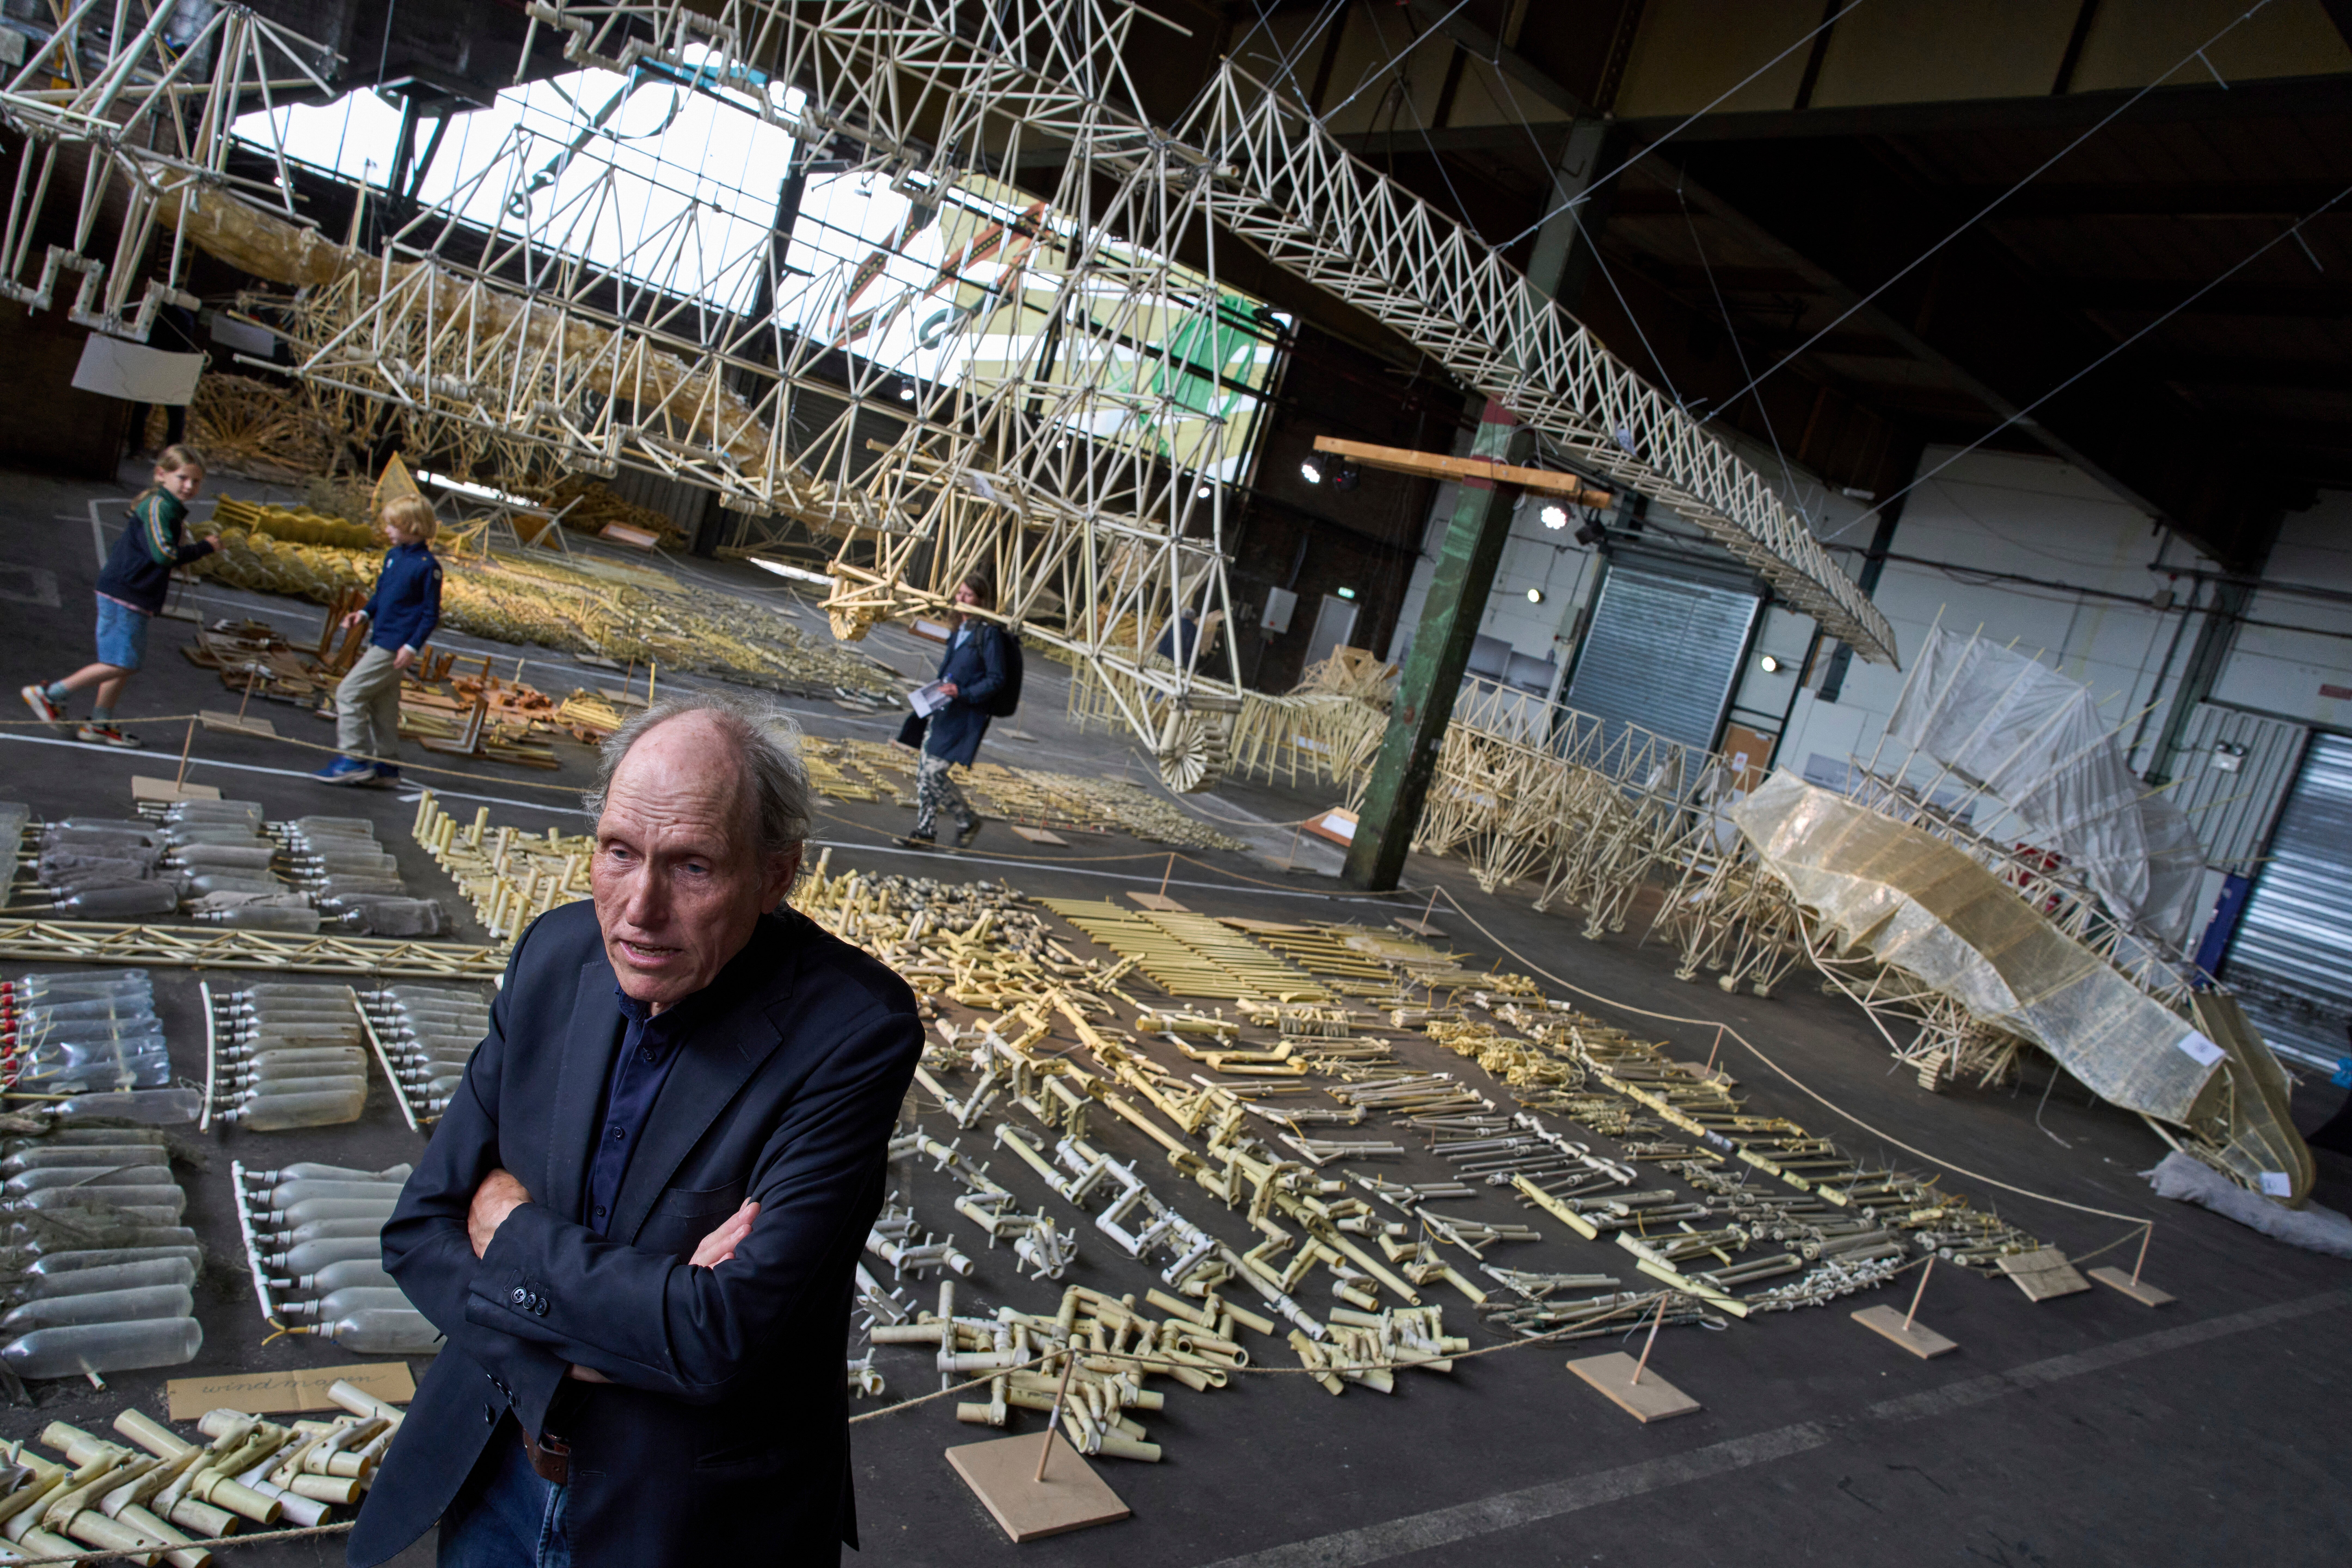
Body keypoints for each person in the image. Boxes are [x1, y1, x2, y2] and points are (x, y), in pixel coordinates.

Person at [348, 693, 922, 1568]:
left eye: (693, 867)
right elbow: (420, 1231)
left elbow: (719, 1337)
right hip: (497, 1472)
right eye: (619, 853)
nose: (639, 910)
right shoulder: (554, 955)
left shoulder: (853, 1031)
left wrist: (509, 1233)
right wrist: (614, 1333)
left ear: (776, 876)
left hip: (684, 1523)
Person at [20, 445, 216, 749]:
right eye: (183, 478)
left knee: (119, 661)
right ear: (161, 475)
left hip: (136, 595)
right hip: (125, 592)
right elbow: (164, 555)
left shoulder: (170, 508)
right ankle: (51, 694)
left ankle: (100, 722)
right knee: (123, 662)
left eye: (197, 481)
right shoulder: (158, 507)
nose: (190, 486)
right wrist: (205, 547)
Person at [315, 494, 443, 787]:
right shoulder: (394, 557)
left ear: (413, 526)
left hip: (393, 647)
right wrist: (363, 614)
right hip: (382, 639)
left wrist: (412, 647)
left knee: (349, 694)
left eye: (393, 525)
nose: (387, 530)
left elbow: (430, 614)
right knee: (384, 707)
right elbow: (382, 596)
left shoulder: (427, 567)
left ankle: (353, 758)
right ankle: (388, 767)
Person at [906, 569, 1004, 847]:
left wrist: (964, 692)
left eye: (968, 595)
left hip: (964, 715)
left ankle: (967, 819)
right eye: (960, 593)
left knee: (935, 772)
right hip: (942, 710)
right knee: (924, 773)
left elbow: (996, 679)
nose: (961, 599)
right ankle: (926, 831)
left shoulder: (988, 635)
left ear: (981, 601)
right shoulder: (959, 630)